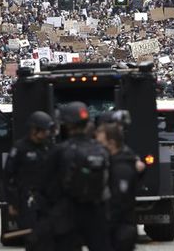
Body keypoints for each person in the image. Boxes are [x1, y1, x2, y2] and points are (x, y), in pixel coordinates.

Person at [44, 102, 112, 251]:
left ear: (66, 125)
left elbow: (47, 185)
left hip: (67, 213)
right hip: (96, 212)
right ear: (88, 124)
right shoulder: (101, 150)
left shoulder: (59, 151)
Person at [3, 111, 55, 250]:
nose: (47, 134)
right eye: (44, 131)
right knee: (32, 238)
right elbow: (9, 176)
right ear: (34, 130)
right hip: (26, 199)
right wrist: (12, 203)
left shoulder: (49, 147)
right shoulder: (20, 148)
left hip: (47, 199)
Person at [95, 122, 139, 251]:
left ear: (112, 143)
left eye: (101, 142)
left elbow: (118, 203)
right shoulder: (113, 162)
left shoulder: (121, 168)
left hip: (120, 232)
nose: (98, 146)